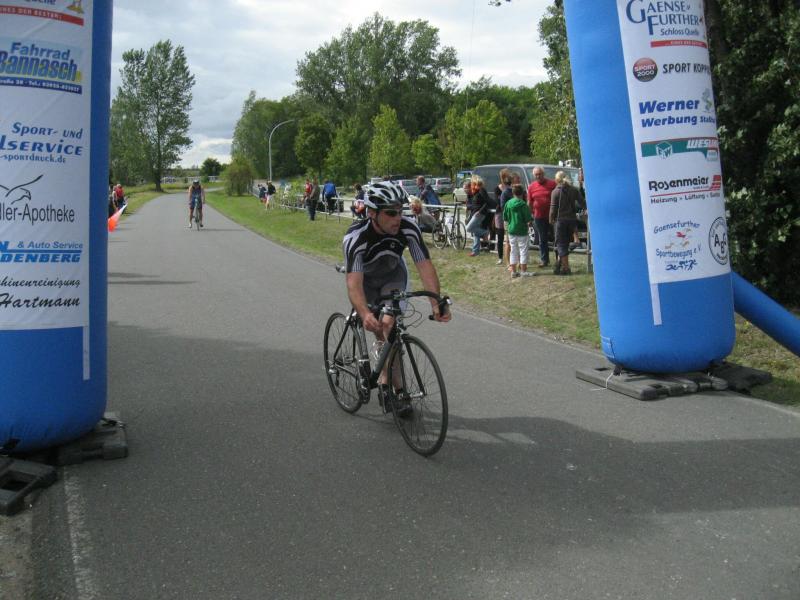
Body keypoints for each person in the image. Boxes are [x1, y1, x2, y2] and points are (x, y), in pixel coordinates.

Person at [342, 181, 450, 416]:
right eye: (391, 213)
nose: (398, 218)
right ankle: (384, 378)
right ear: (372, 213)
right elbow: (354, 283)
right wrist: (365, 313)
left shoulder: (408, 228)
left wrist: (436, 302)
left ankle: (395, 388)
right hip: (365, 282)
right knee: (376, 325)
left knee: (389, 327)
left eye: (401, 211)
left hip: (393, 277)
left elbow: (424, 266)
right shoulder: (356, 237)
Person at [549, 171, 583, 275]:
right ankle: (559, 264)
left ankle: (566, 268)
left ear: (556, 180)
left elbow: (553, 209)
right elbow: (582, 202)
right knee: (566, 244)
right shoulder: (574, 190)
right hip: (572, 220)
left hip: (560, 221)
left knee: (561, 244)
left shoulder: (555, 192)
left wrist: (551, 219)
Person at [526, 166, 557, 268]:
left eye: (540, 174)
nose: (538, 176)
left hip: (552, 216)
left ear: (543, 174)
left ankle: (559, 260)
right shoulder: (531, 187)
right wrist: (529, 216)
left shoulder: (552, 184)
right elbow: (529, 202)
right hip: (539, 216)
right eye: (536, 175)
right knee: (542, 239)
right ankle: (544, 260)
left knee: (556, 238)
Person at [503, 183, 534, 278]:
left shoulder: (508, 203)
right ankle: (523, 271)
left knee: (513, 251)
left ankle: (513, 271)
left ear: (513, 193)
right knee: (523, 251)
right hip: (522, 231)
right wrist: (530, 222)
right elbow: (528, 220)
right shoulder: (523, 205)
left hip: (511, 230)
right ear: (522, 193)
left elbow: (505, 217)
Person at [465, 175, 494, 257]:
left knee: (468, 228)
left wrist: (480, 211)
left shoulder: (481, 190)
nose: (471, 184)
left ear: (475, 182)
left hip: (480, 214)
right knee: (476, 233)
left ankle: (485, 232)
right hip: (476, 213)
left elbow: (487, 202)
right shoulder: (475, 191)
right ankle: (475, 251)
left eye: (472, 182)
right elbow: (473, 203)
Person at [495, 168, 513, 266]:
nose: (504, 178)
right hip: (500, 213)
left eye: (506, 176)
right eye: (503, 176)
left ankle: (510, 258)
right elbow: (498, 202)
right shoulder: (498, 189)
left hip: (510, 214)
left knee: (509, 237)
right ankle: (500, 257)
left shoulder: (511, 188)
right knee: (500, 235)